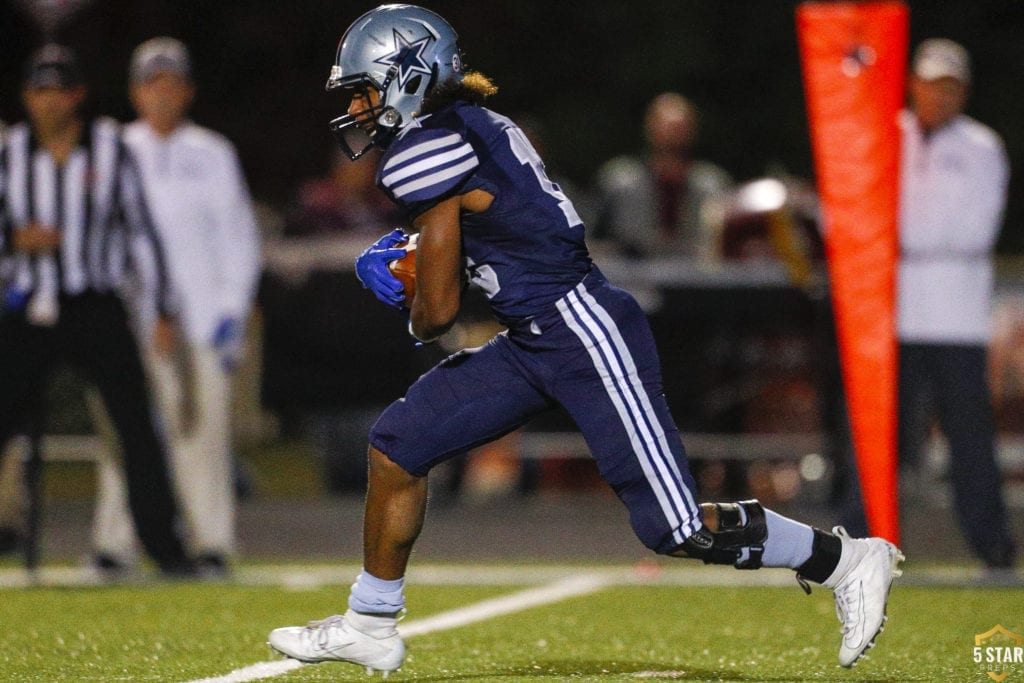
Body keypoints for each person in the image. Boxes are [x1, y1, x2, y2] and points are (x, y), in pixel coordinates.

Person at [268, 5, 904, 675]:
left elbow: (440, 313)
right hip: (534, 334)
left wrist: (409, 286)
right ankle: (369, 620)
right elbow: (497, 225)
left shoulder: (428, 147)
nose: (360, 109)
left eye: (366, 89)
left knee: (674, 526)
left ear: (408, 76)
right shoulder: (473, 123)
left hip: (581, 329)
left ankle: (844, 560)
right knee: (398, 445)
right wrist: (421, 252)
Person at [0, 44, 195, 575]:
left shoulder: (108, 148)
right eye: (40, 90)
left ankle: (164, 548)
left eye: (60, 89)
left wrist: (160, 309)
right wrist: (14, 239)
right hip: (27, 306)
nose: (50, 101)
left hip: (96, 305)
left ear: (78, 95)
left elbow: (141, 232)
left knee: (136, 426)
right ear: (25, 96)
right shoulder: (9, 151)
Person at [839, 39, 1016, 571]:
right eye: (929, 82)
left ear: (962, 90)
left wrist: (891, 237)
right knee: (877, 434)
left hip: (955, 314)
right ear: (912, 82)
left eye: (949, 85)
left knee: (967, 437)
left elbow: (972, 231)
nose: (938, 94)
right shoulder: (886, 134)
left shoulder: (983, 146)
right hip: (889, 311)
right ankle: (855, 548)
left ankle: (995, 548)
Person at [89, 37, 262, 576]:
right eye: (151, 83)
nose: (162, 94)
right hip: (133, 320)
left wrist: (229, 313)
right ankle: (114, 545)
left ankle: (209, 543)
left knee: (202, 435)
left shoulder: (212, 152)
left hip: (202, 321)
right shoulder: (112, 148)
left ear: (187, 91)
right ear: (135, 91)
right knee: (125, 436)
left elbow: (239, 236)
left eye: (171, 83)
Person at [593, 91, 732, 261]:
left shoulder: (713, 186)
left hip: (697, 279)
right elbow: (596, 243)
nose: (673, 133)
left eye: (680, 127)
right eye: (668, 126)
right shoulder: (619, 183)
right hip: (633, 280)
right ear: (650, 127)